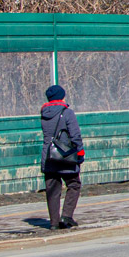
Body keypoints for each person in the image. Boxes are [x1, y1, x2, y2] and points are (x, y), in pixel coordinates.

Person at [40, 84, 84, 229]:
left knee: (52, 189)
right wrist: (80, 152)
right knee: (74, 184)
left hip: (49, 156)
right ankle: (66, 216)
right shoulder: (67, 113)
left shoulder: (44, 113)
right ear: (62, 97)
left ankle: (53, 223)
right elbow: (75, 135)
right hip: (65, 155)